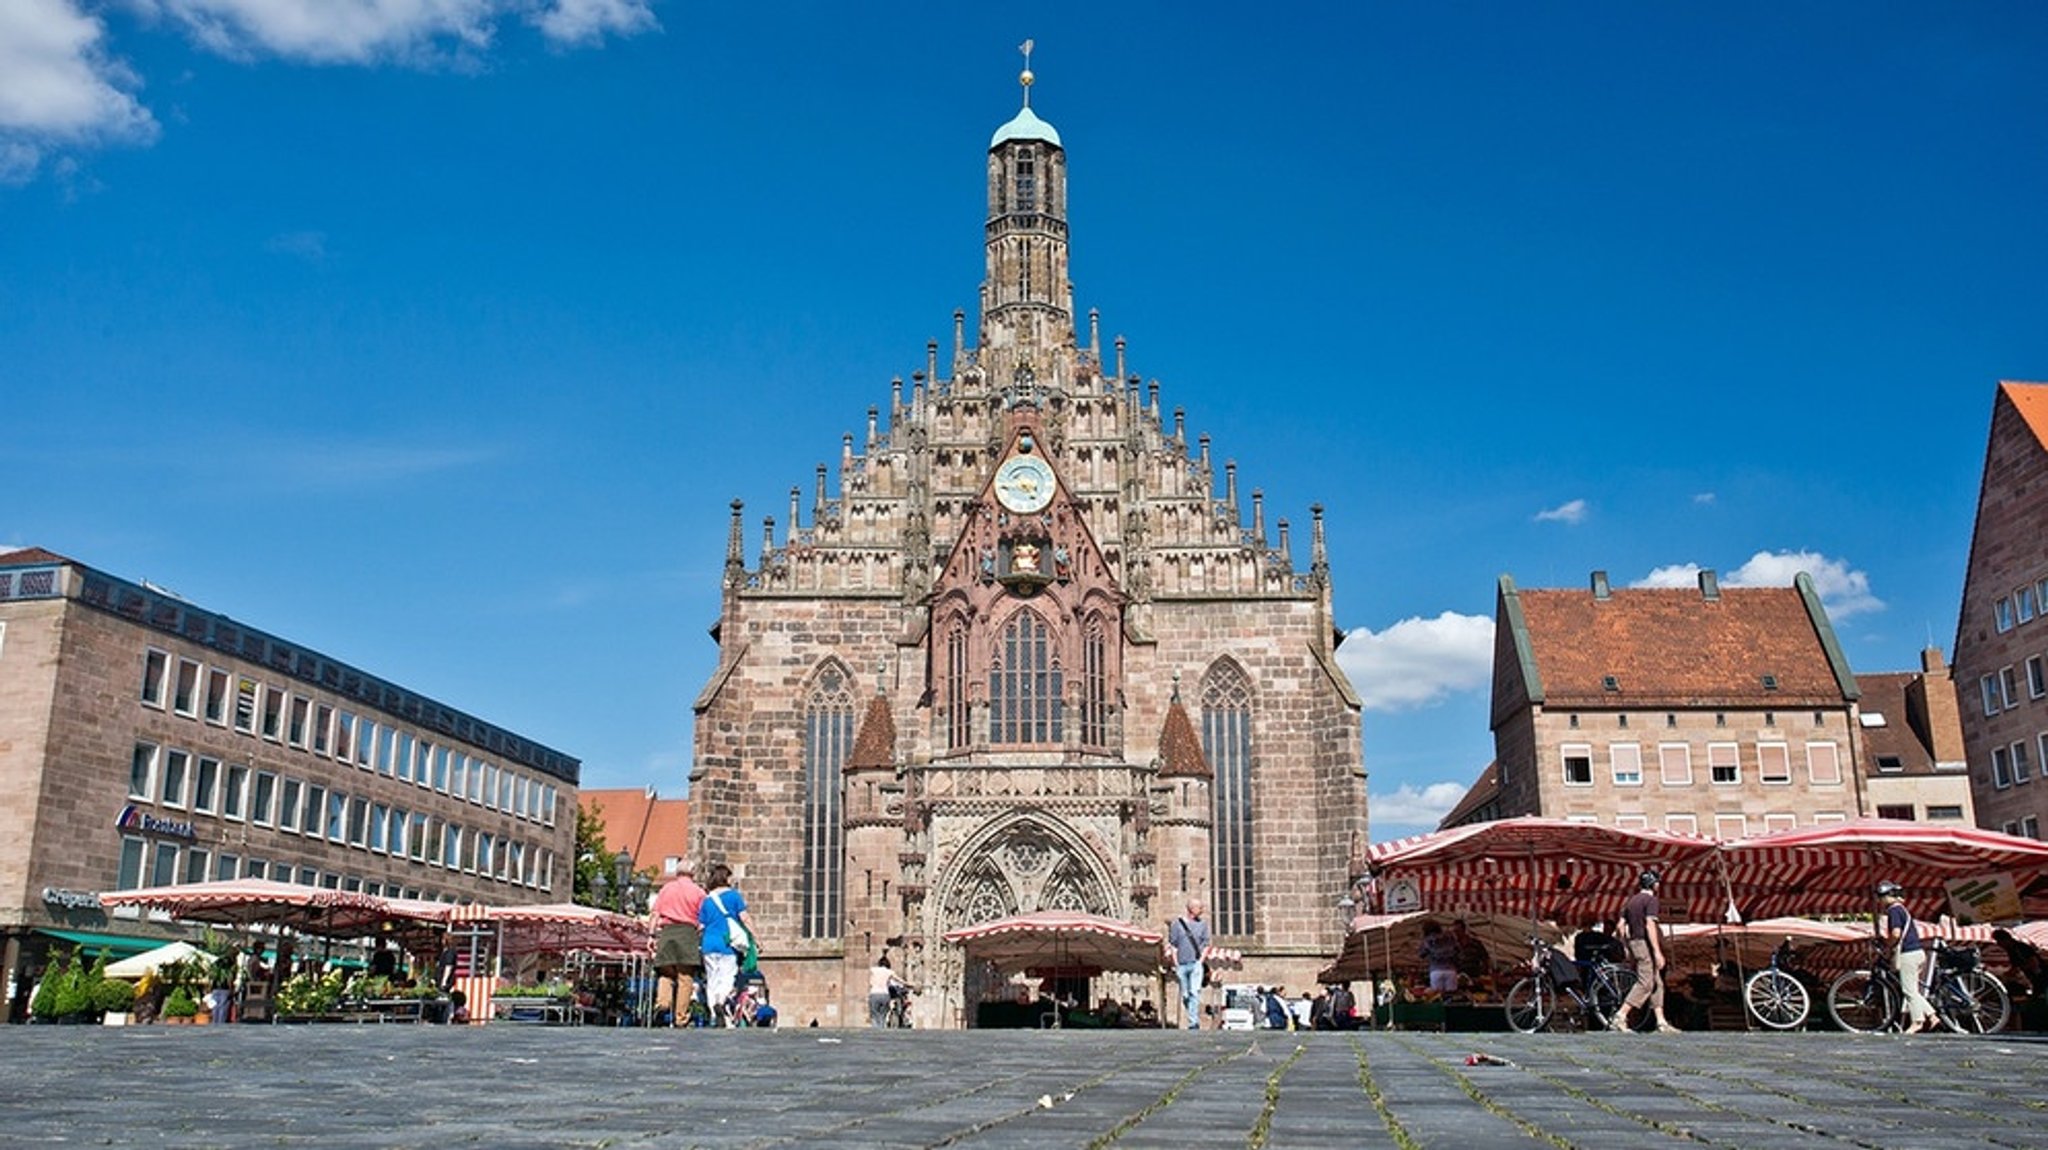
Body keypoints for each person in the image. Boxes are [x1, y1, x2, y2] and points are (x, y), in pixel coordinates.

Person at [1613, 869, 1680, 1033]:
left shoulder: (1631, 901)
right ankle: (1621, 1015)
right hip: (1645, 944)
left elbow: (1620, 926)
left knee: (1657, 982)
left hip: (1635, 943)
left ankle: (1661, 1021)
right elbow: (1650, 925)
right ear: (1654, 884)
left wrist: (1627, 946)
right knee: (1646, 982)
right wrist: (1657, 951)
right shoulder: (1651, 900)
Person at [697, 862, 755, 1027]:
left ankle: (715, 1016)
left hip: (708, 943)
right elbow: (745, 918)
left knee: (712, 979)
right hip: (726, 943)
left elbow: (701, 926)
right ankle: (720, 1002)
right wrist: (756, 938)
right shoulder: (734, 896)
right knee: (727, 977)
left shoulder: (707, 900)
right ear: (725, 877)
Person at [650, 859, 707, 1025]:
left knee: (665, 973)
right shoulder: (698, 892)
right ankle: (680, 1018)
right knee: (685, 976)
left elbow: (655, 914)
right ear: (693, 873)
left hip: (667, 933)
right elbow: (702, 920)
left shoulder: (666, 889)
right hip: (687, 933)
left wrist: (651, 936)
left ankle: (662, 1004)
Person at [1879, 880, 1937, 1034]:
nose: (1881, 899)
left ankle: (1917, 1021)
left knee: (1908, 991)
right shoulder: (1903, 910)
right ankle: (1932, 1015)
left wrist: (1888, 944)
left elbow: (1896, 933)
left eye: (1882, 895)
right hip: (1918, 952)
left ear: (1890, 895)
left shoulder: (1894, 910)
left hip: (1908, 954)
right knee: (1913, 989)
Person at [1166, 897, 1210, 1029]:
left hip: (1195, 963)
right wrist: (1176, 963)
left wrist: (1200, 961)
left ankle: (1193, 1022)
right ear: (1191, 909)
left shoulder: (1203, 925)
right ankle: (1192, 1014)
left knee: (1194, 992)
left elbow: (1206, 945)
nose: (1202, 910)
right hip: (1182, 964)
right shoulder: (1177, 925)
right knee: (1185, 995)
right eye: (1200, 907)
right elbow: (1174, 945)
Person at [1992, 928, 2045, 999]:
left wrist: (2022, 969)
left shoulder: (2020, 947)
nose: (1998, 944)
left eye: (1999, 941)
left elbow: (2034, 962)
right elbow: (2014, 966)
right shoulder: (2009, 951)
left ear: (2006, 939)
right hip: (2030, 977)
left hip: (2040, 975)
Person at [1419, 920, 1461, 994]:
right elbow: (1458, 949)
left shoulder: (1427, 940)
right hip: (1451, 970)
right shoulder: (1450, 937)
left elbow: (1421, 954)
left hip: (1435, 970)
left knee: (1437, 996)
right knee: (1451, 997)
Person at [868, 955, 907, 1027]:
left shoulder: (873, 970)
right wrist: (909, 984)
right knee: (883, 1016)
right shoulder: (889, 972)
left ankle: (875, 1031)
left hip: (874, 993)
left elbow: (870, 981)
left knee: (874, 1015)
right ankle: (881, 1031)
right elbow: (900, 981)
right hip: (885, 995)